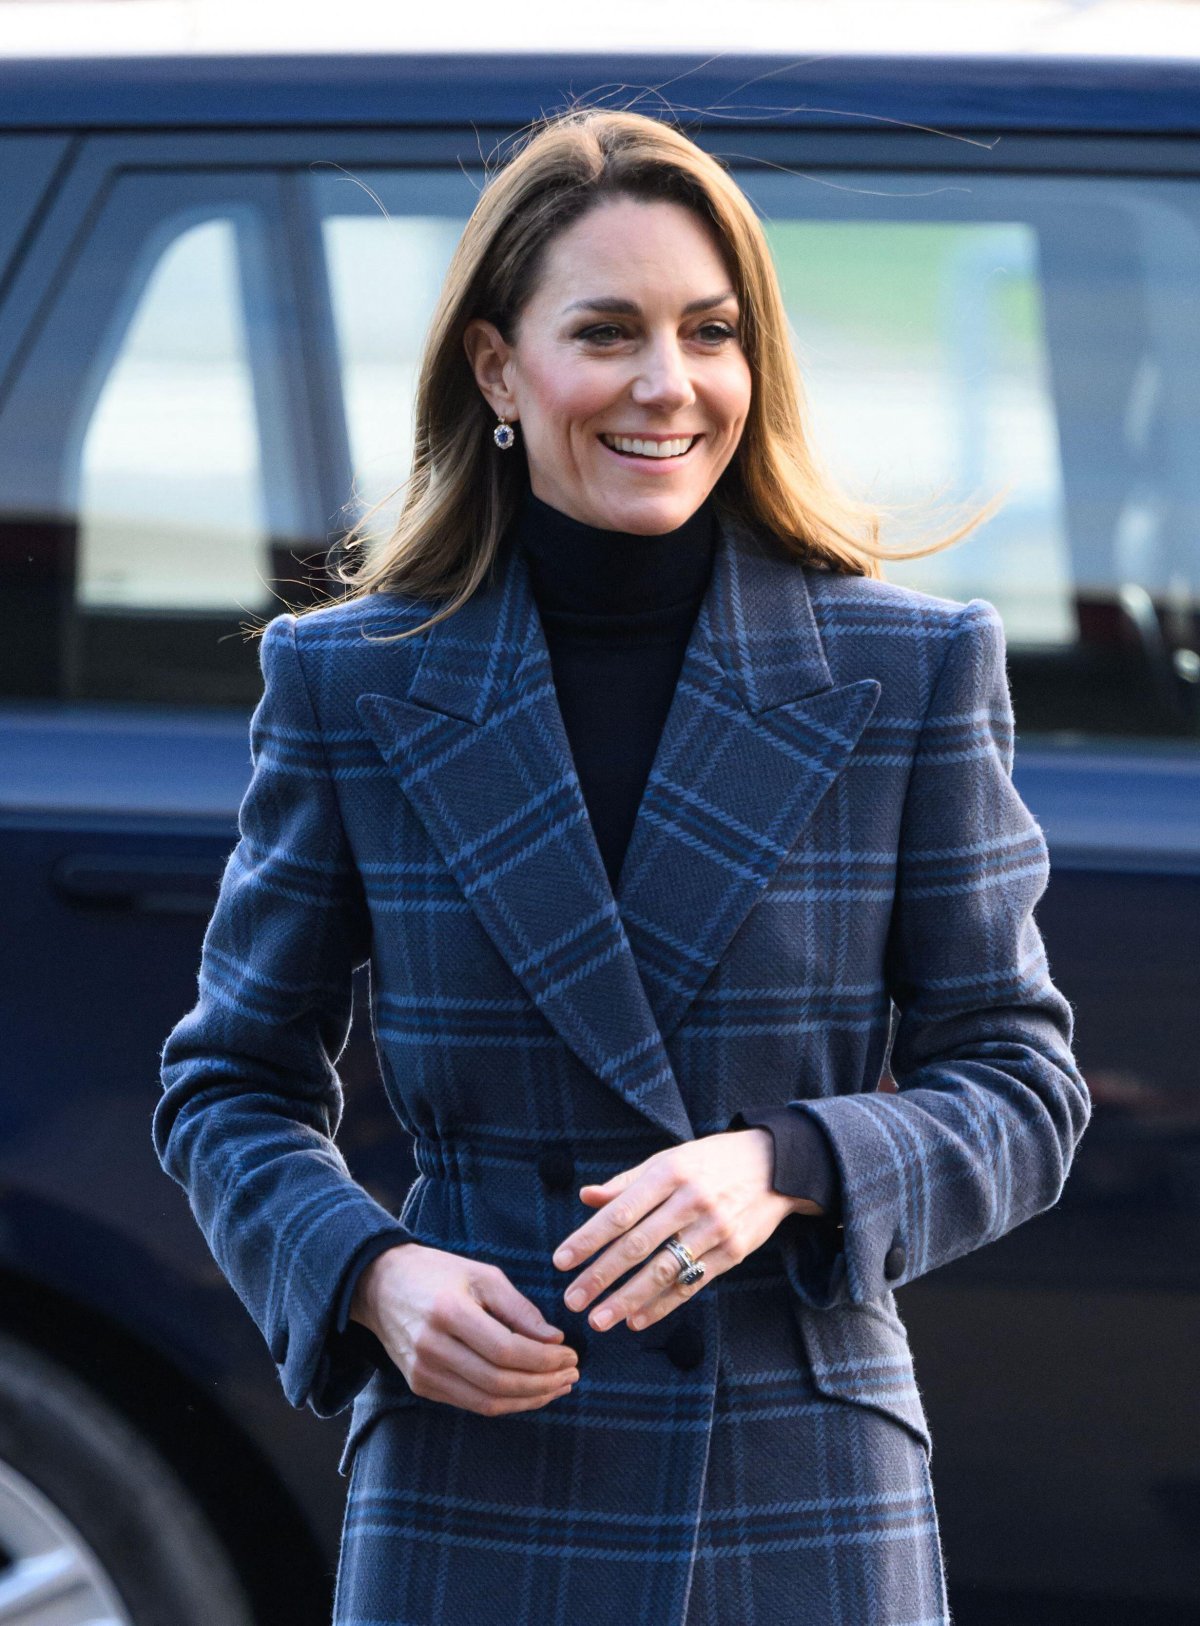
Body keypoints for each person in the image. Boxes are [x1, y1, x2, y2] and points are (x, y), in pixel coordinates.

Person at [152, 105, 1092, 1626]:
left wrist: (787, 1164)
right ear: (497, 369)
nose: (669, 385)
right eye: (608, 331)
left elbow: (1025, 1088)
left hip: (799, 1485)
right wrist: (372, 1275)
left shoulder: (906, 668)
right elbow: (229, 1087)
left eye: (710, 331)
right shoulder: (352, 680)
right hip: (477, 1467)